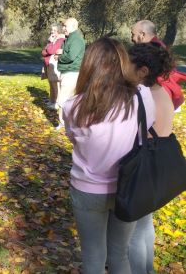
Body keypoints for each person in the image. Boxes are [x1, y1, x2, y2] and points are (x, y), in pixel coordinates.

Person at [62, 38, 155, 274]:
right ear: (123, 63)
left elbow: (74, 139)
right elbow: (145, 131)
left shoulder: (73, 105)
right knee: (119, 254)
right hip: (128, 186)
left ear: (88, 65)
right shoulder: (140, 96)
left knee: (93, 257)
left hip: (87, 189)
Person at [128, 42, 175, 274]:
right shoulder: (161, 91)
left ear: (143, 70)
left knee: (133, 233)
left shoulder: (143, 95)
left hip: (143, 167)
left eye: (129, 65)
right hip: (157, 167)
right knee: (145, 226)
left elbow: (137, 135)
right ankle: (147, 269)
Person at [131, 20, 186, 110]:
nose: (132, 38)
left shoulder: (153, 51)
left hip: (157, 100)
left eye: (133, 34)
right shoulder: (159, 47)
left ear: (142, 35)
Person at [55, 18, 85, 130]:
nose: (63, 28)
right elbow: (63, 51)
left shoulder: (76, 39)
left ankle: (63, 123)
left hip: (71, 73)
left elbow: (70, 56)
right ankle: (69, 123)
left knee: (62, 100)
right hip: (66, 71)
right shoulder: (68, 38)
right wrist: (61, 53)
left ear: (73, 26)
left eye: (66, 26)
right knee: (69, 99)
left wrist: (60, 56)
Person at [41, 23, 66, 109]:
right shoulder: (52, 40)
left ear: (59, 31)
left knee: (55, 84)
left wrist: (50, 43)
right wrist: (49, 43)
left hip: (54, 64)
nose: (52, 32)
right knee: (51, 83)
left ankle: (57, 103)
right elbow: (43, 52)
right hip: (48, 64)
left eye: (54, 30)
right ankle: (52, 100)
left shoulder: (60, 39)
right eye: (52, 30)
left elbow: (51, 50)